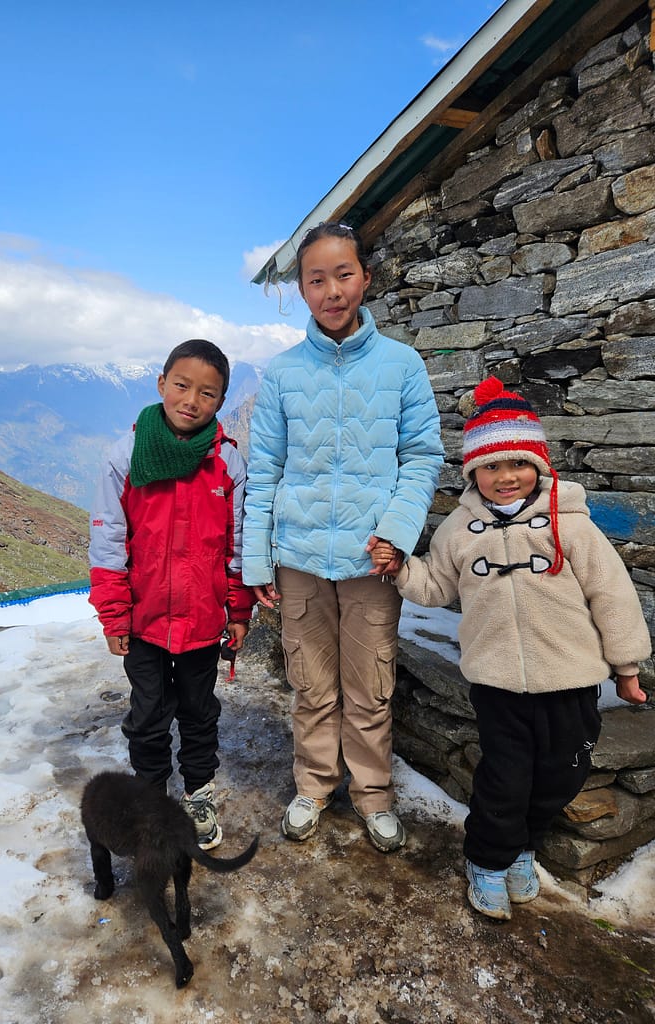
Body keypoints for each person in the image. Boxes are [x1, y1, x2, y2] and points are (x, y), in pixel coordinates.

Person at [376, 376, 651, 917]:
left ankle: (523, 846)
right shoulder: (460, 530)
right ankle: (488, 858)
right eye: (492, 466)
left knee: (562, 772)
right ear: (473, 472)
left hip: (570, 679)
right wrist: (403, 569)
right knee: (504, 776)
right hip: (498, 682)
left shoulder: (570, 526)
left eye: (518, 464)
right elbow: (437, 587)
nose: (506, 477)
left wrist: (626, 667)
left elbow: (612, 595)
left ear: (540, 465)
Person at [242, 221, 444, 853]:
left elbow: (422, 457)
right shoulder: (281, 375)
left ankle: (374, 794)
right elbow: (264, 472)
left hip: (370, 559)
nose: (332, 289)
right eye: (316, 279)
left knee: (370, 683)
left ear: (366, 278)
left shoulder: (401, 366)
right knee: (310, 682)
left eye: (344, 274)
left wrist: (398, 532)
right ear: (300, 289)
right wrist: (256, 563)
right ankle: (314, 785)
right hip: (298, 556)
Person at [88, 339, 255, 850]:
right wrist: (114, 615)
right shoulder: (125, 454)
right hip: (144, 622)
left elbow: (238, 542)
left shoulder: (227, 462)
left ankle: (198, 792)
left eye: (208, 392)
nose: (191, 399)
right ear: (161, 384)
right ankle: (151, 799)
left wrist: (238, 610)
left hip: (204, 621)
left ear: (221, 401)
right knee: (148, 714)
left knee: (199, 711)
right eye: (181, 385)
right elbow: (109, 538)